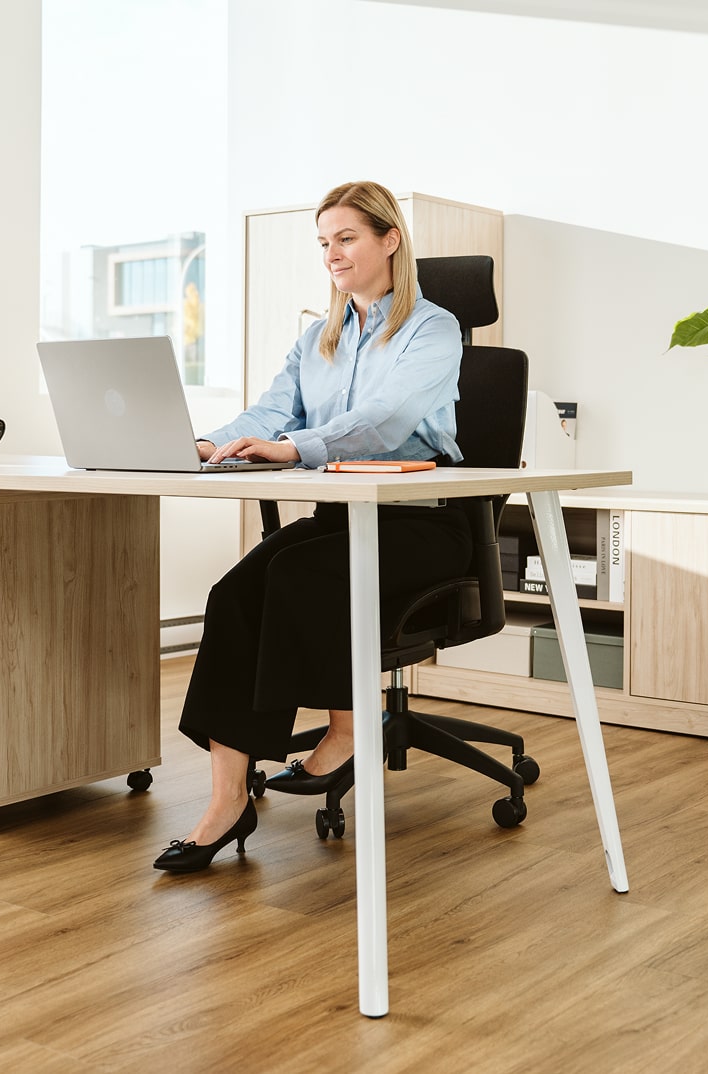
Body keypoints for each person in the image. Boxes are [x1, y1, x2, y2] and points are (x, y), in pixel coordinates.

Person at [154, 180, 472, 874]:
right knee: (234, 590)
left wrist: (296, 447)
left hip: (423, 527)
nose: (332, 253)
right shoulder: (317, 337)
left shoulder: (432, 329)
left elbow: (387, 418)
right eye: (324, 242)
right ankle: (227, 800)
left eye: (347, 237)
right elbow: (270, 414)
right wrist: (207, 445)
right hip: (343, 517)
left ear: (390, 240)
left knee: (298, 576)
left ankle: (349, 729)